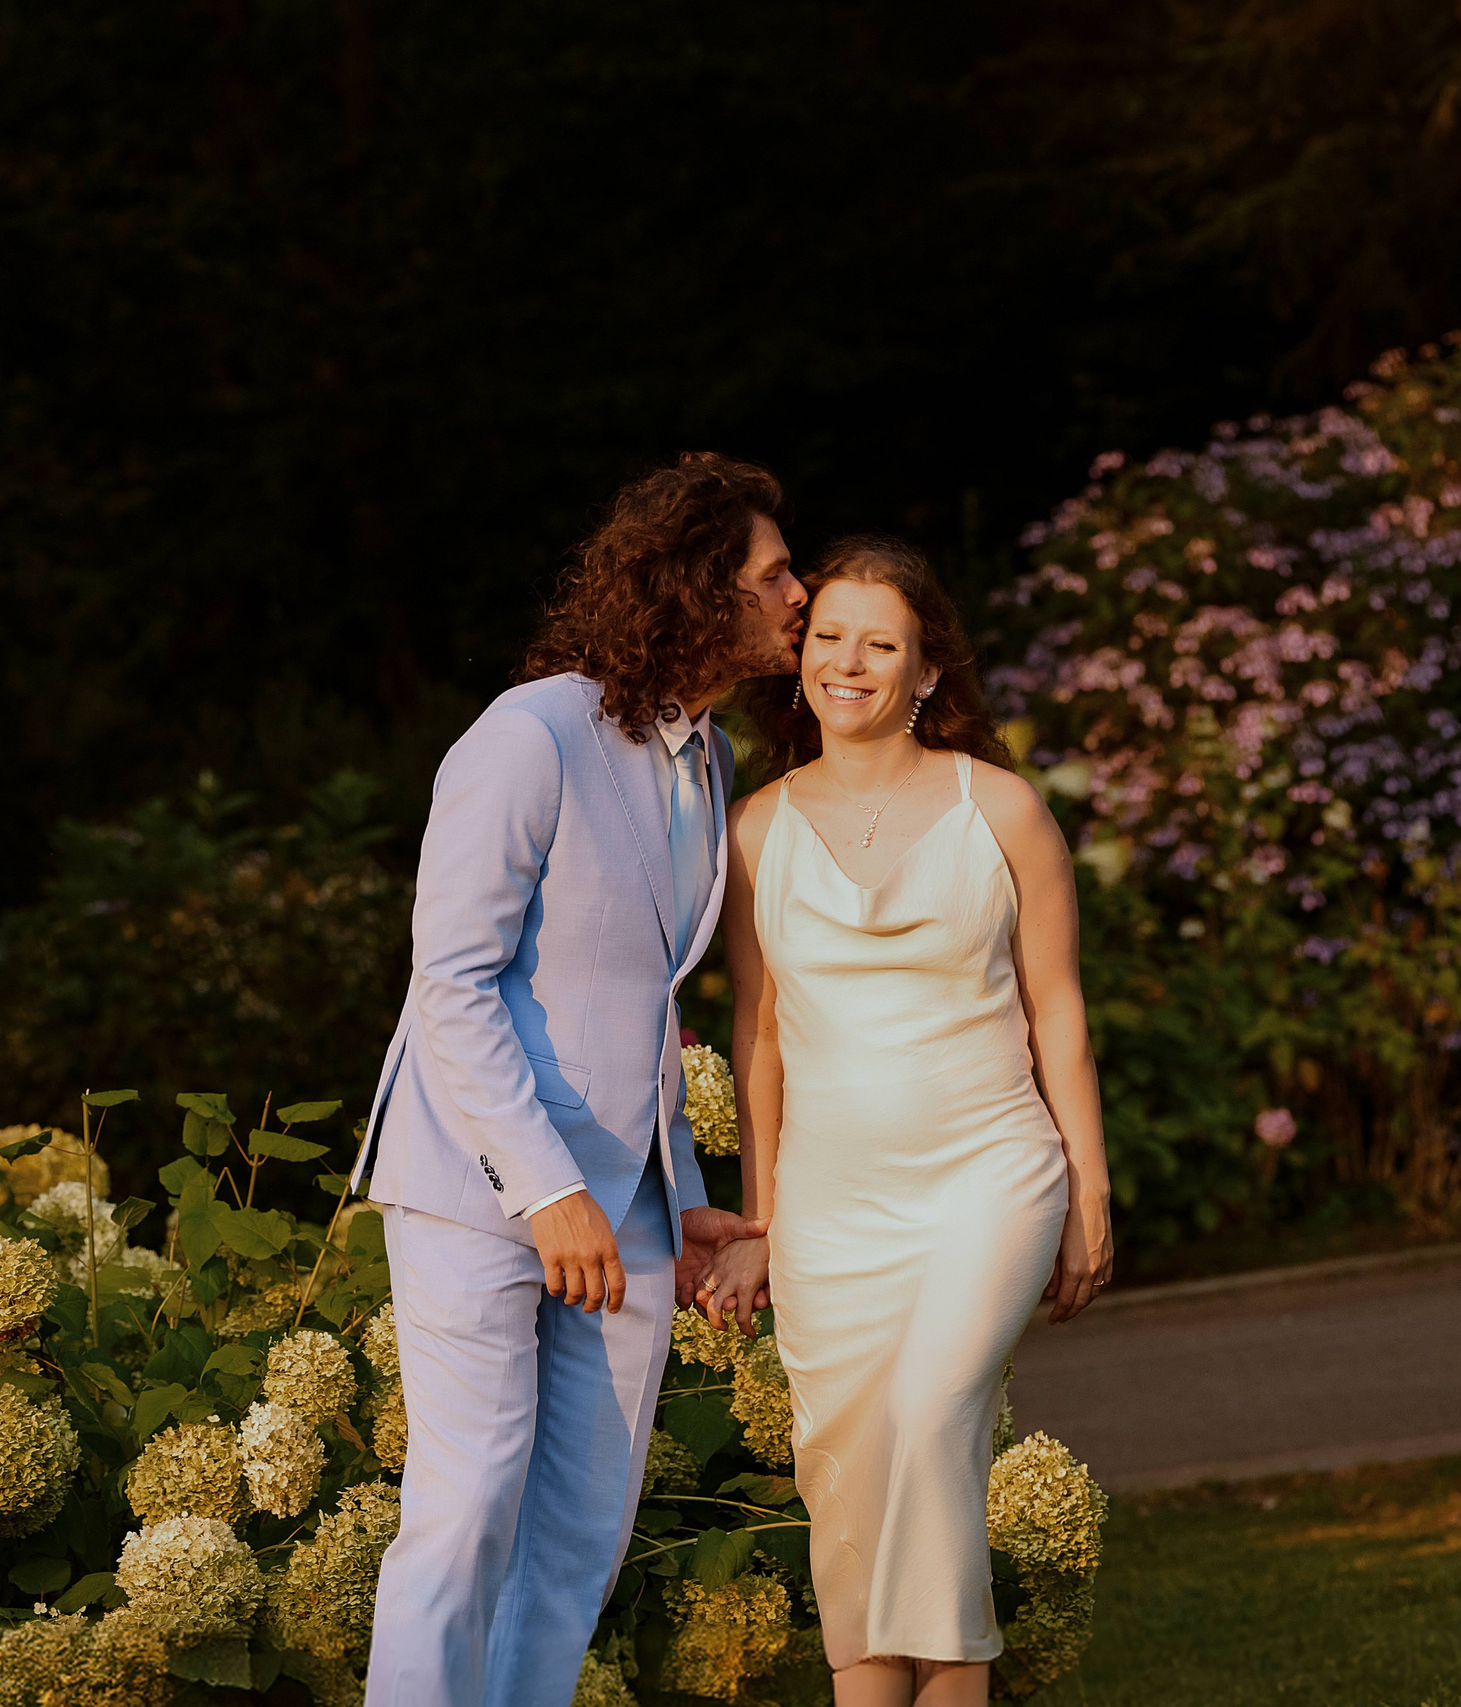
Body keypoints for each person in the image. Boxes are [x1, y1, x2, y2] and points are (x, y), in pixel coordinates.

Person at [350, 453, 807, 1706]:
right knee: (465, 1514)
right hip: (481, 1189)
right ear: (699, 588)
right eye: (774, 574)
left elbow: (636, 1009)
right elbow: (453, 978)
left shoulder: (710, 766)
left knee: (580, 1539)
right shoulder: (528, 733)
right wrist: (546, 1189)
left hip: (633, 1213)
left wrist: (680, 1189)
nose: (802, 594)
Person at [695, 536, 1116, 1706]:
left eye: (880, 644)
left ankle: (963, 1681)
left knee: (932, 1419)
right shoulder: (755, 831)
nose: (849, 661)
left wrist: (1090, 1190)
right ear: (800, 658)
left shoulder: (1007, 812)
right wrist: (762, 1221)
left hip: (989, 1176)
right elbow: (761, 1041)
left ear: (926, 671)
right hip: (832, 1213)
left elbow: (1060, 1015)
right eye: (828, 635)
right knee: (852, 1481)